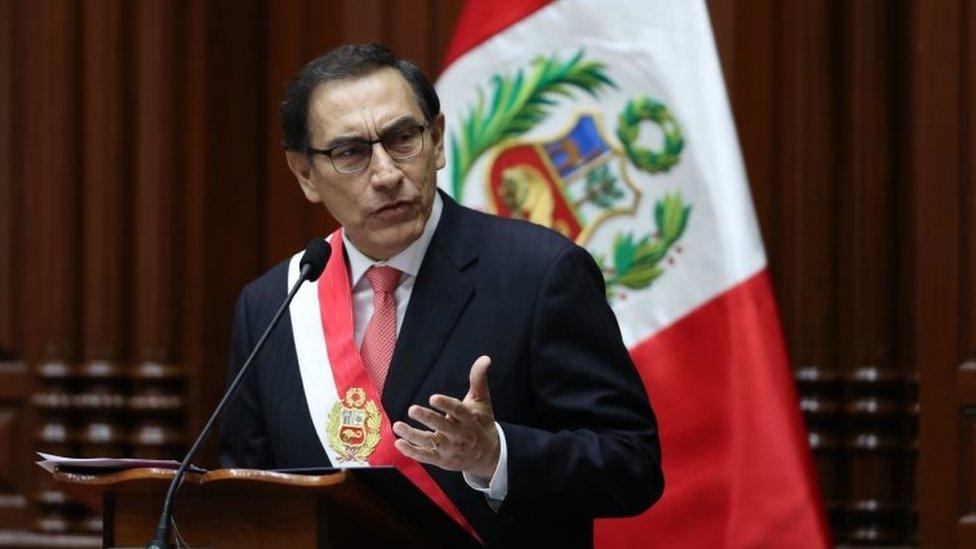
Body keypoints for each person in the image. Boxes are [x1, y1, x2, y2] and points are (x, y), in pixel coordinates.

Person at [219, 43, 663, 548]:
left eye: (403, 138)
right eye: (350, 153)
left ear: (438, 140)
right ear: (305, 174)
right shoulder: (272, 306)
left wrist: (494, 455)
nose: (386, 174)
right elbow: (250, 504)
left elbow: (633, 465)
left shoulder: (541, 274)